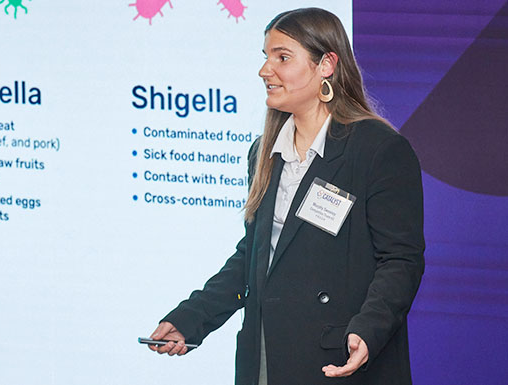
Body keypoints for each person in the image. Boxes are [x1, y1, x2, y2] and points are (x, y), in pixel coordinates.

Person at [147, 7, 425, 385]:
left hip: (339, 360)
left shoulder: (378, 149)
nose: (266, 70)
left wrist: (370, 329)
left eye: (282, 57)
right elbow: (254, 258)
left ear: (326, 64)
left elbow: (400, 260)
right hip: (265, 356)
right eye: (265, 57)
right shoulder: (264, 153)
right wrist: (190, 319)